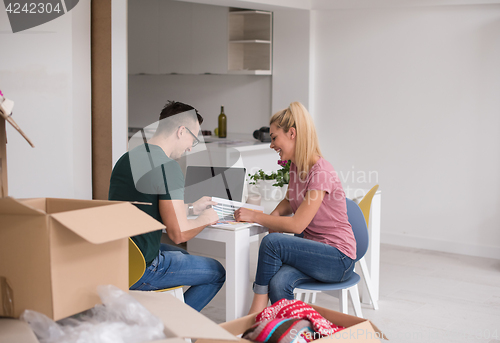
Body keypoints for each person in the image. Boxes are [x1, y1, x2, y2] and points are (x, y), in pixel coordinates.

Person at [234, 101, 356, 314]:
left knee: (272, 243)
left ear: (292, 133)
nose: (271, 145)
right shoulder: (297, 167)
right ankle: (292, 332)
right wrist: (275, 215)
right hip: (313, 252)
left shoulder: (320, 172)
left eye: (274, 138)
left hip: (338, 258)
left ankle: (256, 313)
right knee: (278, 282)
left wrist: (255, 216)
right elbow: (291, 200)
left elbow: (298, 225)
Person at [108, 101, 225, 312]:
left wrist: (190, 209)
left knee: (186, 259)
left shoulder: (126, 159)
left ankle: (159, 315)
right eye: (193, 139)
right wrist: (206, 218)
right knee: (216, 271)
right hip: (142, 267)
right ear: (181, 131)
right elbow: (179, 234)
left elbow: (146, 207)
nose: (191, 146)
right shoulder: (168, 167)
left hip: (117, 259)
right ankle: (171, 329)